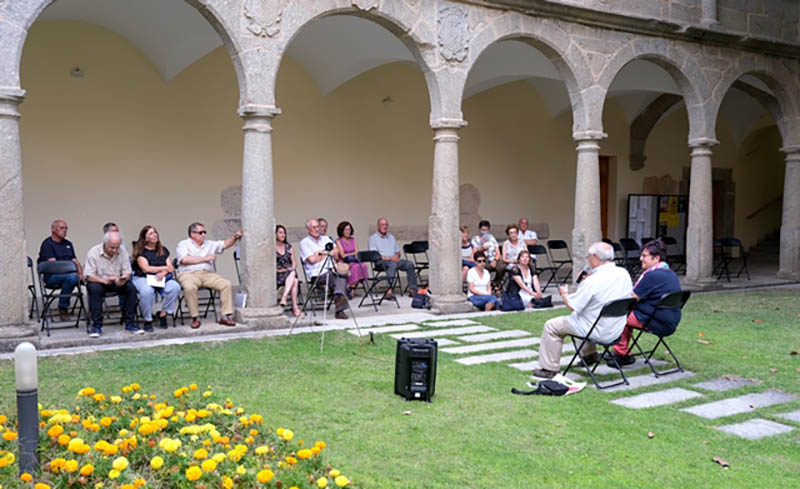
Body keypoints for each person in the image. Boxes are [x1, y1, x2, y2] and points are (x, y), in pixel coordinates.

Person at [532, 242, 632, 379]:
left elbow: (572, 305)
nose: (587, 259)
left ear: (595, 257)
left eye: (588, 256)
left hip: (596, 330)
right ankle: (589, 355)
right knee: (585, 314)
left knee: (552, 326)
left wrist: (564, 293)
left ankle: (548, 368)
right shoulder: (624, 273)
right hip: (616, 331)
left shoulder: (593, 281)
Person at [606, 239, 681, 366]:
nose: (641, 258)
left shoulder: (652, 276)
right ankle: (622, 351)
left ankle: (621, 354)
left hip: (656, 322)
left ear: (656, 258)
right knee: (627, 314)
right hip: (670, 321)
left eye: (645, 256)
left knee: (619, 314)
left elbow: (631, 299)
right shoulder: (670, 273)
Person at [175, 222, 241, 329]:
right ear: (192, 234)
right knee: (189, 287)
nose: (204, 235)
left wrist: (235, 237)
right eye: (201, 232)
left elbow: (225, 244)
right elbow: (184, 260)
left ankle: (225, 317)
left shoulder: (209, 244)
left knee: (226, 284)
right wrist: (205, 258)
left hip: (207, 274)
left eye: (204, 232)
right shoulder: (183, 244)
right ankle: (195, 318)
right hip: (188, 274)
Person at [84, 231, 139, 337]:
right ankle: (96, 326)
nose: (115, 250)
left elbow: (127, 271)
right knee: (95, 290)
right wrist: (104, 281)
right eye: (112, 247)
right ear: (105, 244)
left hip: (116, 281)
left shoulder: (122, 251)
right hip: (99, 281)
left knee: (130, 288)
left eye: (117, 247)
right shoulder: (93, 252)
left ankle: (130, 323)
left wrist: (122, 279)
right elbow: (88, 275)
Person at [131, 225, 181, 332]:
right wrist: (164, 268)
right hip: (142, 277)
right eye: (151, 233)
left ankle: (163, 313)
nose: (154, 235)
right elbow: (146, 269)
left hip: (160, 277)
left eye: (155, 232)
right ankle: (148, 319)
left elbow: (171, 267)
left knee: (175, 287)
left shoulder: (163, 250)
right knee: (147, 291)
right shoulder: (140, 252)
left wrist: (163, 272)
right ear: (145, 238)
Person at [299, 218, 349, 319]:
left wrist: (323, 253)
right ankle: (340, 308)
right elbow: (312, 260)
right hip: (317, 273)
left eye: (318, 226)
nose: (317, 229)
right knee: (338, 277)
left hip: (333, 269)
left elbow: (337, 250)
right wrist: (328, 254)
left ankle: (339, 301)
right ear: (308, 229)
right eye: (314, 227)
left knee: (341, 275)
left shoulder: (326, 239)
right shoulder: (304, 243)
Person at [37, 219, 83, 321]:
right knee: (71, 278)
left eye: (66, 228)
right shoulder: (47, 244)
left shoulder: (68, 244)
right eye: (62, 228)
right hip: (53, 277)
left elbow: (75, 260)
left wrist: (81, 273)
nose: (65, 230)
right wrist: (72, 271)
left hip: (71, 275)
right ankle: (63, 307)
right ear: (53, 229)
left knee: (91, 279)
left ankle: (94, 312)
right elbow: (54, 266)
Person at [368, 217, 418, 297]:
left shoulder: (391, 237)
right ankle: (389, 290)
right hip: (381, 262)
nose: (385, 227)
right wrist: (391, 258)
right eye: (382, 225)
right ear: (378, 226)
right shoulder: (373, 238)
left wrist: (396, 256)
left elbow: (398, 252)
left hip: (393, 260)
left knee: (409, 264)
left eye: (386, 225)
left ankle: (412, 289)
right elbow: (374, 255)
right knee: (392, 264)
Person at [335, 221, 368, 296]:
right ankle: (352, 289)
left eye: (349, 229)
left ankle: (351, 288)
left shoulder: (353, 240)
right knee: (356, 267)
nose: (348, 231)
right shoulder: (338, 241)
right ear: (341, 231)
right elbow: (343, 255)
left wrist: (351, 254)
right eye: (346, 230)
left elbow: (357, 252)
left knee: (363, 265)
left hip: (354, 260)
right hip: (344, 262)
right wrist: (352, 254)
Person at [275, 224, 302, 317]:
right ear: (275, 234)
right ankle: (295, 308)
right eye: (280, 233)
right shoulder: (271, 248)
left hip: (289, 273)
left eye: (284, 233)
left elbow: (294, 262)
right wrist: (281, 270)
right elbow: (270, 266)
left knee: (293, 275)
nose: (283, 235)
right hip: (277, 275)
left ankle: (284, 297)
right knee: (295, 280)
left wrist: (292, 268)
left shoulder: (288, 247)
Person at [470, 220, 502, 286]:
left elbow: (497, 252)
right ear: (479, 229)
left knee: (501, 267)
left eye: (486, 230)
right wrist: (482, 249)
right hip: (483, 260)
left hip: (493, 259)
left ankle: (496, 283)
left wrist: (495, 260)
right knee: (486, 267)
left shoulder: (491, 238)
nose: (484, 232)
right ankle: (486, 284)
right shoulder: (475, 239)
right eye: (483, 230)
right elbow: (475, 254)